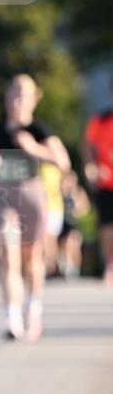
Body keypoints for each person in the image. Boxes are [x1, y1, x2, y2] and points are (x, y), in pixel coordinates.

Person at [0, 74, 70, 341]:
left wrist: (34, 149)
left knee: (31, 258)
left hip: (32, 196)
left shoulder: (40, 130)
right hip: (3, 198)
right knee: (7, 256)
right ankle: (12, 318)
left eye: (23, 95)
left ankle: (33, 311)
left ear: (33, 100)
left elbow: (63, 161)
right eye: (13, 94)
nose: (17, 101)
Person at [83, 88, 113, 286]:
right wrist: (91, 166)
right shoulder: (100, 120)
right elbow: (86, 145)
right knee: (107, 227)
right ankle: (110, 266)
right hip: (107, 182)